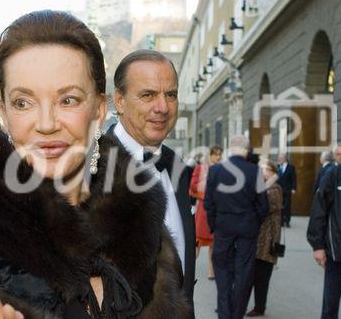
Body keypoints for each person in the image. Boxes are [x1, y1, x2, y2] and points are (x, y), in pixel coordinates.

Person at [0, 10, 190, 319]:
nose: (46, 124)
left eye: (68, 100)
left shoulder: (139, 218)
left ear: (99, 109)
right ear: (4, 113)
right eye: (23, 102)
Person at [106, 49, 196, 314]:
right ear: (119, 101)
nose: (163, 107)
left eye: (171, 95)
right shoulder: (92, 169)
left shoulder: (175, 163)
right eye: (148, 95)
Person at [204, 135, 269, 319]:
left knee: (222, 270)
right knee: (244, 271)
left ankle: (224, 313)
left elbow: (209, 203)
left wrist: (214, 225)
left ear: (230, 148)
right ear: (247, 150)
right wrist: (254, 221)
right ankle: (237, 313)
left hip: (223, 226)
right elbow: (263, 205)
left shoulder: (216, 170)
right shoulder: (254, 171)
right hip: (247, 227)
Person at [307, 144, 341, 319]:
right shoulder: (333, 175)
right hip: (337, 251)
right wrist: (318, 246)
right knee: (331, 303)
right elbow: (318, 212)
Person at [246, 160, 283, 317]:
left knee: (262, 276)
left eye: (265, 169)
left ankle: (259, 307)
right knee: (254, 273)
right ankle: (256, 306)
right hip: (260, 236)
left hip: (268, 238)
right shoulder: (265, 186)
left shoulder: (274, 188)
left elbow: (265, 207)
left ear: (273, 172)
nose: (262, 172)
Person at [190, 146, 222, 280]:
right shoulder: (202, 168)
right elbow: (193, 185)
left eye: (220, 154)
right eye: (216, 154)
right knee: (197, 241)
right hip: (204, 207)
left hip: (218, 208)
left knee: (213, 243)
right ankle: (188, 269)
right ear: (210, 155)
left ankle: (212, 271)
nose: (218, 157)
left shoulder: (223, 169)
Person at [277, 153, 296, 227]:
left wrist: (294, 188)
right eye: (279, 158)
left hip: (287, 190)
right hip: (279, 190)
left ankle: (287, 221)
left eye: (281, 158)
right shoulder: (278, 167)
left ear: (285, 159)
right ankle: (281, 221)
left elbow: (294, 178)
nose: (279, 159)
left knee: (287, 206)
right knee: (280, 206)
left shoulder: (291, 167)